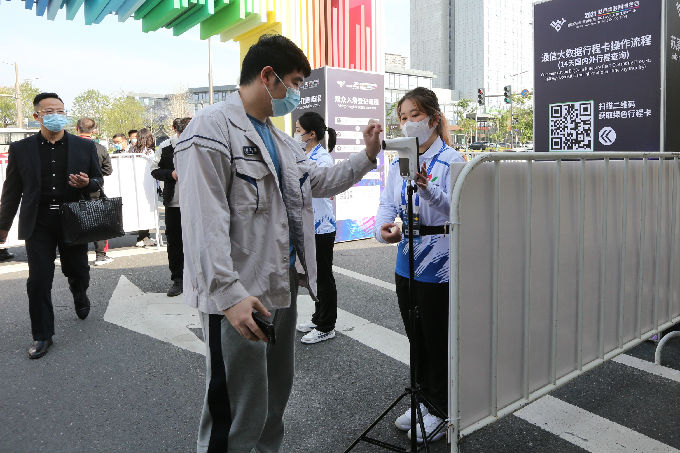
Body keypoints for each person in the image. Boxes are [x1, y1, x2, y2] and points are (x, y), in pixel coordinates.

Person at [174, 34, 382, 453]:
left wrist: (367, 155)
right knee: (237, 406)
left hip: (280, 284)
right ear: (268, 76)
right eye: (295, 82)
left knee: (274, 395)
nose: (296, 93)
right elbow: (203, 220)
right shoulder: (211, 128)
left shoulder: (283, 142)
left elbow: (321, 181)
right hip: (239, 292)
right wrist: (228, 295)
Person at [374, 87, 464, 443]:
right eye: (403, 117)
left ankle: (443, 410)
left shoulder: (452, 159)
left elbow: (458, 210)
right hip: (407, 258)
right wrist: (383, 229)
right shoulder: (399, 160)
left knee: (437, 336)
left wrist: (427, 190)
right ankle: (426, 400)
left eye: (415, 115)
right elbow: (387, 202)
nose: (409, 122)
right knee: (416, 336)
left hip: (440, 260)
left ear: (433, 118)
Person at [0, 92, 103, 359]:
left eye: (60, 110)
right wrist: (3, 226)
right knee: (38, 280)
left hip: (73, 218)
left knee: (78, 270)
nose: (56, 115)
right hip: (39, 221)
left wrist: (87, 183)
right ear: (37, 116)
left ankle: (79, 292)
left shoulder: (84, 147)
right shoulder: (21, 149)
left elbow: (98, 180)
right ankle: (43, 334)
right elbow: (11, 190)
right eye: (49, 112)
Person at [294, 112, 339, 344]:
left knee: (323, 276)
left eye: (298, 130)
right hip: (308, 226)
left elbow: (314, 187)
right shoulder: (305, 154)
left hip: (321, 226)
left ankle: (326, 325)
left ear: (311, 134)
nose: (295, 134)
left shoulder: (322, 159)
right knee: (314, 274)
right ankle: (318, 317)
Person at [151, 117, 191, 297]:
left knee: (199, 241)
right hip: (174, 203)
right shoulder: (166, 146)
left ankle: (199, 279)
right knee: (175, 241)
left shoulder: (200, 143)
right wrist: (171, 174)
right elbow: (154, 170)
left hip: (198, 202)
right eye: (182, 133)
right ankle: (178, 279)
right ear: (175, 130)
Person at [76, 117, 114, 266]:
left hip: (73, 189)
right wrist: (94, 175)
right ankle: (100, 255)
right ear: (93, 130)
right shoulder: (100, 148)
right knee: (98, 222)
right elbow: (108, 170)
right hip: (94, 189)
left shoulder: (69, 146)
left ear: (77, 128)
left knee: (76, 221)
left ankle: (77, 256)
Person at [130, 128, 157, 248]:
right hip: (147, 185)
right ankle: (143, 237)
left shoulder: (133, 150)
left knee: (139, 210)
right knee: (147, 210)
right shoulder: (149, 152)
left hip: (135, 184)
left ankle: (143, 236)